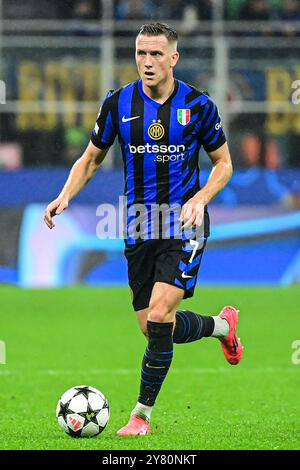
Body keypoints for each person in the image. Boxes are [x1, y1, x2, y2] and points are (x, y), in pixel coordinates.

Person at [44, 22, 243, 436]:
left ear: (174, 57)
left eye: (155, 54)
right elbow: (91, 158)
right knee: (152, 328)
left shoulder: (198, 105)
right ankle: (222, 326)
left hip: (184, 222)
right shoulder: (118, 103)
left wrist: (201, 198)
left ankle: (140, 416)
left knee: (159, 314)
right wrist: (65, 196)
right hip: (137, 224)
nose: (147, 62)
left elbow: (224, 163)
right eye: (140, 53)